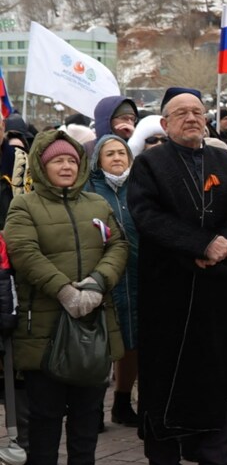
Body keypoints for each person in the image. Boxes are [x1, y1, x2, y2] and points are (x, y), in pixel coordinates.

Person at [127, 88, 227, 465]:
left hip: (216, 289)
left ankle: (215, 463)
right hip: (168, 288)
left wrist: (221, 243)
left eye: (197, 112)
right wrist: (199, 246)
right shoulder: (149, 164)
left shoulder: (226, 159)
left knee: (214, 377)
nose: (191, 118)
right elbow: (147, 217)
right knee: (165, 379)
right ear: (164, 123)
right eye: (180, 113)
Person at [7, 131, 128, 465]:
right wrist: (64, 290)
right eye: (57, 160)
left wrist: (96, 283)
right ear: (43, 167)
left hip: (94, 321)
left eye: (72, 161)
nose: (65, 166)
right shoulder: (24, 206)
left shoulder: (96, 203)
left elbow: (118, 245)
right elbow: (23, 251)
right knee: (44, 410)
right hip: (44, 324)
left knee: (88, 409)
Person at [84, 135, 141, 428]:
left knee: (133, 341)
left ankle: (122, 401)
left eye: (122, 153)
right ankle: (93, 408)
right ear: (98, 160)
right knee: (103, 342)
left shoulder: (141, 186)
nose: (117, 158)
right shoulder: (89, 189)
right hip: (106, 276)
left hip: (140, 274)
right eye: (110, 154)